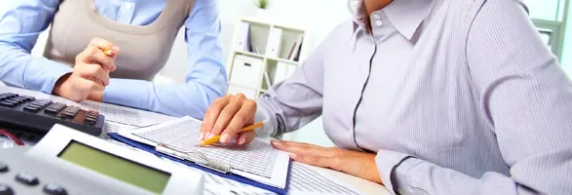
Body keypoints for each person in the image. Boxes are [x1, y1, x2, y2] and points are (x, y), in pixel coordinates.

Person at [199, 0, 572, 194]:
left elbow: (554, 188)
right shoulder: (343, 39)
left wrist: (386, 168)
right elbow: (277, 109)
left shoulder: (484, 16)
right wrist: (246, 112)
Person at [0, 0, 226, 118]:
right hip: (42, 112)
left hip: (130, 133)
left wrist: (92, 90)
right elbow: (0, 51)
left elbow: (208, 97)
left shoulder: (199, 4)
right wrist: (63, 82)